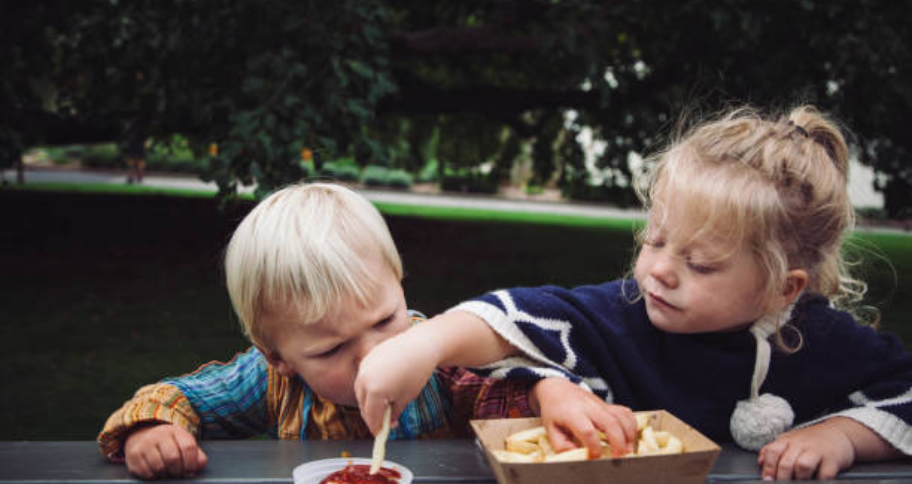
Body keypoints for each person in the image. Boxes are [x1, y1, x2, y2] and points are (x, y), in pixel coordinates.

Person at [355, 106, 912, 481]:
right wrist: (419, 346)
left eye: (699, 263)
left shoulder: (824, 340)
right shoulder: (621, 315)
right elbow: (514, 316)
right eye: (655, 240)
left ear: (779, 289)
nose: (661, 272)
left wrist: (846, 436)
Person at [97, 182, 536, 479]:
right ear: (279, 358)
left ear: (400, 287)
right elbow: (177, 398)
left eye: (384, 321)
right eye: (331, 349)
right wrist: (154, 431)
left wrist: (546, 395)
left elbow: (507, 397)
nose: (375, 356)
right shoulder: (270, 383)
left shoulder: (438, 363)